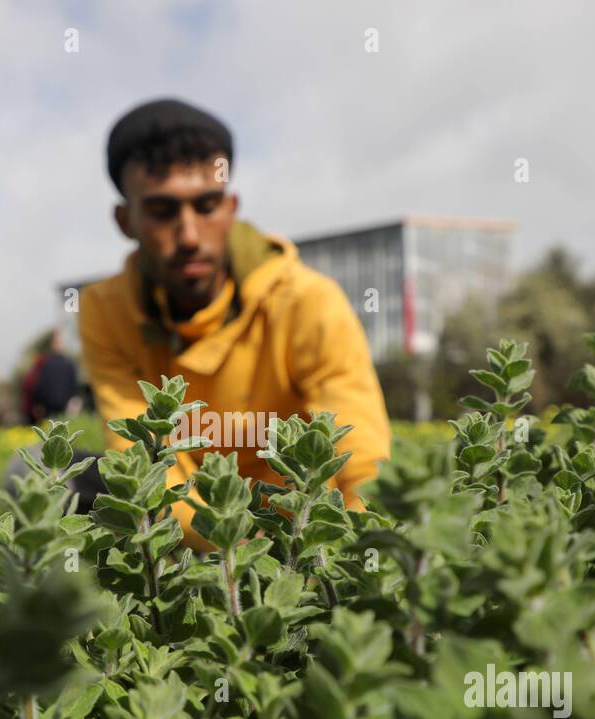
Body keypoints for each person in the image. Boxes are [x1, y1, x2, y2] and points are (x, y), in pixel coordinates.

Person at [77, 98, 391, 550]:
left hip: (299, 527)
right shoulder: (105, 310)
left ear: (231, 207)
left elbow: (361, 461)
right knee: (41, 473)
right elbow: (143, 468)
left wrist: (357, 562)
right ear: (126, 220)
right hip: (193, 526)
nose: (189, 236)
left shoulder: (308, 301)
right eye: (163, 212)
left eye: (207, 206)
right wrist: (235, 550)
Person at [20, 328, 80, 425]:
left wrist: (38, 403)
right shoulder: (69, 364)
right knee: (64, 426)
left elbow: (41, 384)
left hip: (49, 405)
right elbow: (73, 385)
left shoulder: (46, 363)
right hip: (63, 403)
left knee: (50, 427)